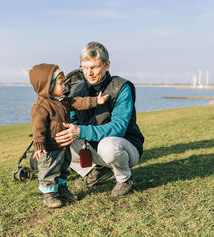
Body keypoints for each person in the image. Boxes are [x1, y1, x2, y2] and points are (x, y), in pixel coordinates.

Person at [55, 42, 144, 197]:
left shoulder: (122, 87)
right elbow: (74, 122)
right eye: (85, 67)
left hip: (124, 146)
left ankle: (124, 179)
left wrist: (80, 131)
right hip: (93, 147)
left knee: (108, 145)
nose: (89, 73)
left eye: (95, 67)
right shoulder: (76, 88)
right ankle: (97, 171)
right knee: (58, 138)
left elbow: (119, 128)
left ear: (107, 65)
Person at [29, 63, 108, 208]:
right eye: (60, 84)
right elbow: (38, 128)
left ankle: (62, 189)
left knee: (63, 168)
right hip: (50, 146)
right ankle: (49, 195)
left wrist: (96, 100)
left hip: (64, 145)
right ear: (48, 86)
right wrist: (39, 145)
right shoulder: (41, 106)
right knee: (49, 169)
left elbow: (78, 102)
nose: (64, 87)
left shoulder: (62, 100)